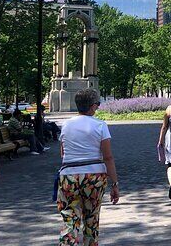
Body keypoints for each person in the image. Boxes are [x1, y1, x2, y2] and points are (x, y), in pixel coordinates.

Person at [58, 88, 119, 246]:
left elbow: (63, 154)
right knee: (91, 220)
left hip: (68, 176)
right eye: (97, 104)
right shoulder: (100, 125)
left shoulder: (66, 125)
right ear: (92, 106)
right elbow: (108, 157)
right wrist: (115, 184)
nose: (98, 107)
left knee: (69, 219)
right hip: (94, 176)